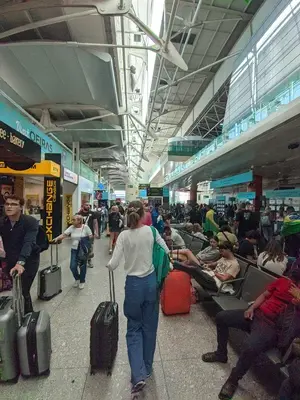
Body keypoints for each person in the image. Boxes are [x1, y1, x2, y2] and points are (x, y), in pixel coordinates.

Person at [202, 270, 300, 400]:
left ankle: (233, 380)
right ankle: (221, 354)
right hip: (256, 314)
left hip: (271, 327)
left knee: (251, 346)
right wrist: (252, 308)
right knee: (221, 317)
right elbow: (265, 295)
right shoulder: (282, 281)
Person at [107, 201, 169, 395]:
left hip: (133, 286)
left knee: (134, 328)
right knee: (149, 327)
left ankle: (138, 374)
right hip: (150, 284)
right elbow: (166, 251)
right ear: (143, 215)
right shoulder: (151, 232)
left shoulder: (124, 235)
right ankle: (148, 368)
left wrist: (108, 265)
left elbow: (113, 264)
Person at [0, 195, 39, 314]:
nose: (9, 206)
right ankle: (17, 314)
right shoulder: (2, 222)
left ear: (21, 207)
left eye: (14, 204)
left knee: (23, 290)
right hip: (10, 259)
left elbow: (29, 242)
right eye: (7, 204)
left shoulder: (30, 222)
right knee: (16, 289)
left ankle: (28, 317)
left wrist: (21, 262)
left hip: (29, 260)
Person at [174, 242, 240, 293]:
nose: (220, 253)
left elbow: (224, 278)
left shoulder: (234, 264)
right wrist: (207, 265)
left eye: (222, 251)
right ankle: (174, 263)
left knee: (195, 269)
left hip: (216, 284)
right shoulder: (224, 258)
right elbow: (214, 264)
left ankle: (175, 264)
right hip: (210, 276)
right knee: (192, 262)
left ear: (228, 250)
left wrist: (213, 272)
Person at [54, 215, 92, 290]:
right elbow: (64, 234)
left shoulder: (85, 227)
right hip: (74, 249)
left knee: (82, 266)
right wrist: (57, 238)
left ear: (79, 221)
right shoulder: (72, 227)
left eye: (74, 220)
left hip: (83, 249)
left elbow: (90, 237)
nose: (72, 221)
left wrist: (86, 244)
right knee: (72, 266)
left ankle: (82, 281)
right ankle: (77, 278)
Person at [78, 202, 99, 268]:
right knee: (81, 247)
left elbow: (95, 223)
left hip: (90, 233)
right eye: (86, 205)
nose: (88, 206)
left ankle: (89, 260)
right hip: (81, 233)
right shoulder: (79, 214)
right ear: (83, 205)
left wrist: (96, 232)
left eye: (89, 205)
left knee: (90, 247)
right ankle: (82, 260)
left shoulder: (92, 213)